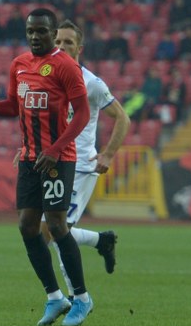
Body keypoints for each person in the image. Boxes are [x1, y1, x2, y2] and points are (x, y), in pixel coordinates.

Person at [0, 8, 93, 326]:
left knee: (58, 226)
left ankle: (83, 299)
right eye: (30, 31)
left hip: (59, 159)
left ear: (51, 32)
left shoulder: (66, 66)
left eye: (41, 31)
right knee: (26, 226)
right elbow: (12, 105)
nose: (35, 37)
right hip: (31, 159)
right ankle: (54, 297)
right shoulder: (18, 64)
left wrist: (57, 148)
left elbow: (83, 114)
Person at [41, 20, 130, 298]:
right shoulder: (47, 79)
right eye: (57, 42)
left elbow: (122, 118)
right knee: (45, 231)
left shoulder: (91, 83)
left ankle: (76, 297)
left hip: (80, 167)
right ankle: (102, 240)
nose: (61, 47)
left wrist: (108, 154)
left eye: (68, 42)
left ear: (79, 48)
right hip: (53, 164)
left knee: (55, 231)